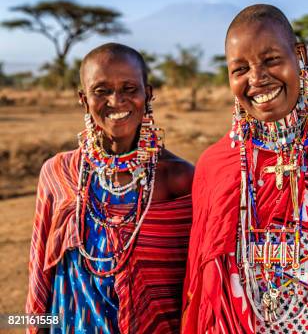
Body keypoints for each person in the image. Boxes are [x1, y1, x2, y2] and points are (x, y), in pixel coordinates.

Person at [182, 4, 308, 333]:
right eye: (240, 69)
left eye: (271, 60)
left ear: (299, 55)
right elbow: (201, 283)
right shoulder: (213, 166)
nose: (257, 79)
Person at [26, 43, 194, 333]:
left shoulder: (179, 178)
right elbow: (40, 271)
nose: (116, 100)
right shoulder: (59, 172)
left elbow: (196, 284)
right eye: (101, 90)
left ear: (148, 93)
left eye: (129, 88)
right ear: (83, 99)